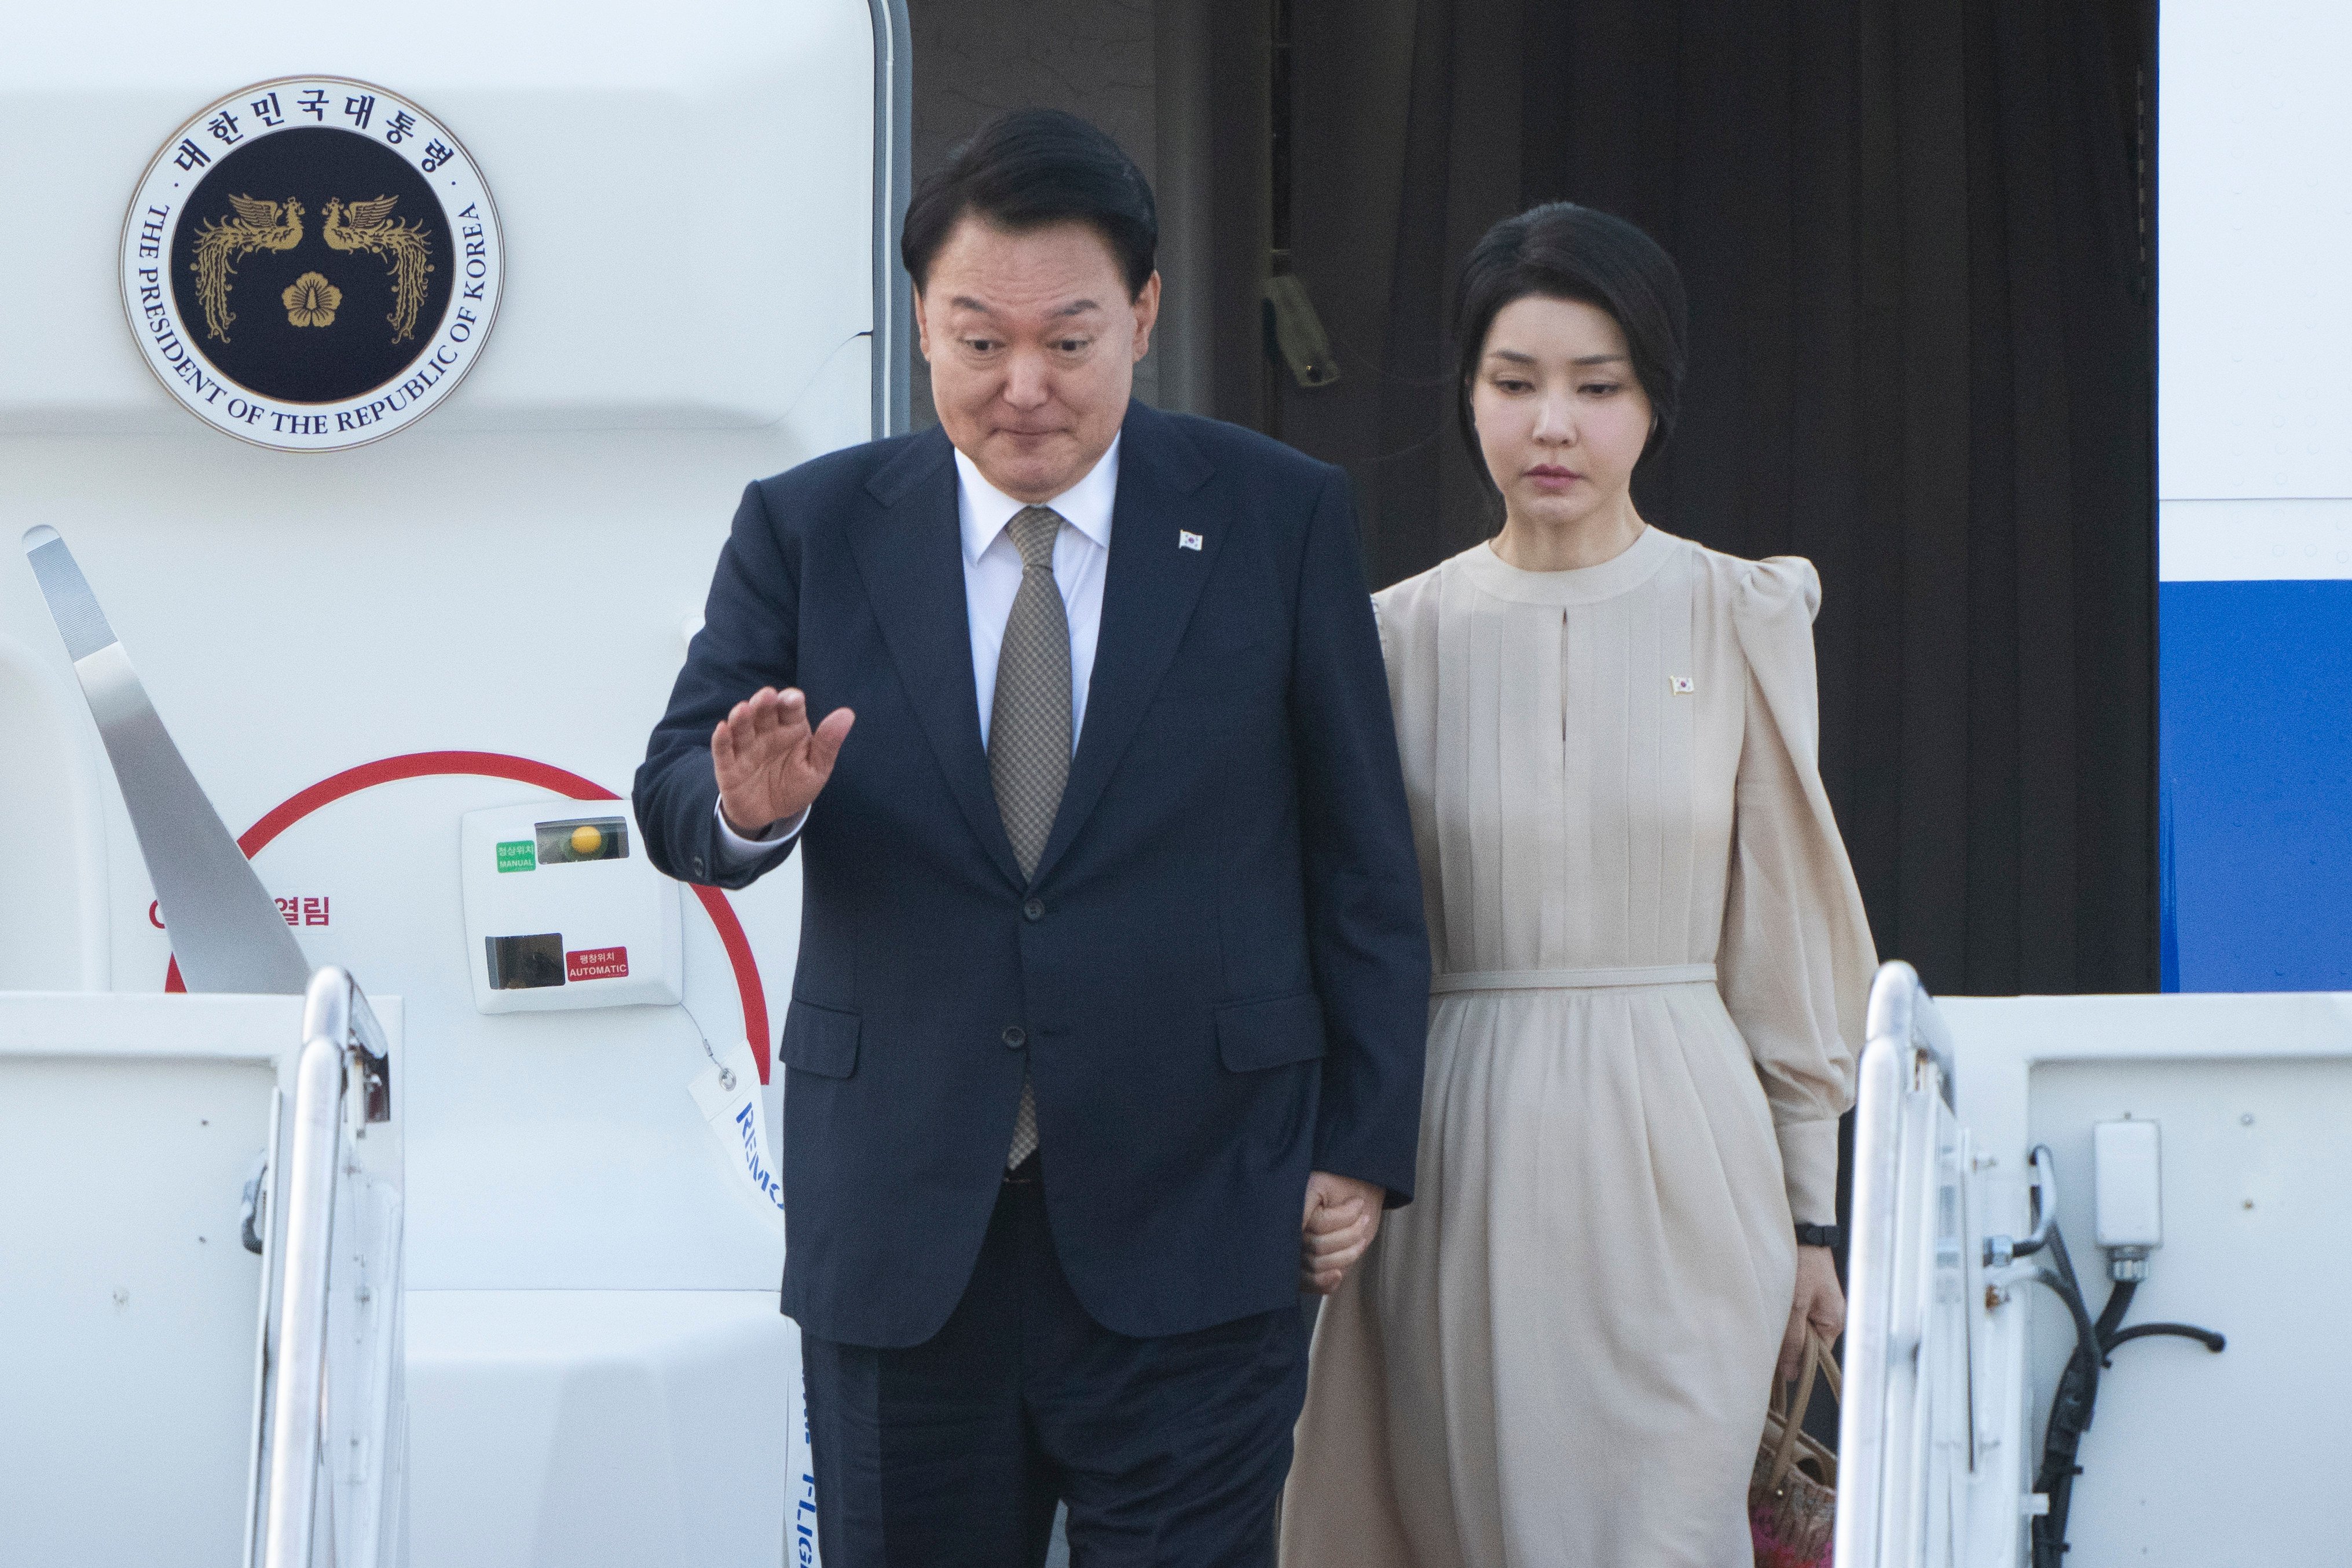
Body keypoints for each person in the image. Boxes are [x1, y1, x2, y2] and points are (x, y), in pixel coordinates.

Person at [633, 108, 1429, 1568]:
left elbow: (1360, 854)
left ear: (1142, 315)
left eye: (1068, 340)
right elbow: (678, 787)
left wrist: (1365, 1146)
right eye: (976, 339)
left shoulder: (1275, 516)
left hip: (1202, 1205)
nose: (1023, 388)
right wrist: (751, 808)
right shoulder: (811, 528)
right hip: (905, 1222)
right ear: (921, 327)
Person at [1280, 203, 1876, 1567]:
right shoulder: (1385, 637)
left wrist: (1811, 1221)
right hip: (1453, 1154)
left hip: (1688, 1149)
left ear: (1653, 404)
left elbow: (1780, 931)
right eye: (1515, 383)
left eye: (1597, 388)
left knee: (1668, 1526)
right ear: (1470, 396)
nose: (1554, 424)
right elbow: (1339, 924)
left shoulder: (1743, 612)